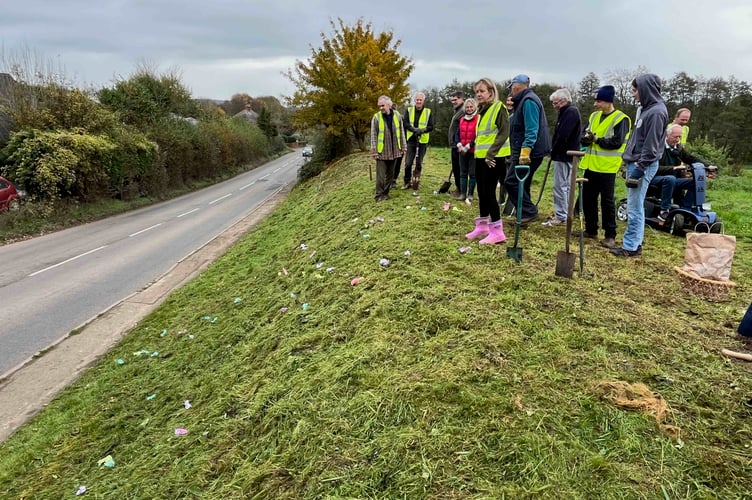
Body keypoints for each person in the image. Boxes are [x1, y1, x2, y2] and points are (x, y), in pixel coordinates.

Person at [611, 74, 668, 257]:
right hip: (635, 162)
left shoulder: (657, 112)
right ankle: (634, 243)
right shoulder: (645, 110)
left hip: (642, 165)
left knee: (634, 207)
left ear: (645, 89)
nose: (633, 94)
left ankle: (630, 247)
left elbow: (650, 148)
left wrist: (638, 169)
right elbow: (637, 139)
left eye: (635, 90)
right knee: (635, 205)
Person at [579, 85, 631, 248]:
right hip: (590, 164)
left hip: (608, 167)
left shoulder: (621, 119)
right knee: (588, 199)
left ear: (608, 101)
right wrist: (585, 138)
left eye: (599, 101)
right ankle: (591, 229)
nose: (596, 104)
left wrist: (596, 140)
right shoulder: (594, 116)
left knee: (606, 201)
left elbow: (617, 142)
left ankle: (610, 235)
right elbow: (584, 134)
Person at [465, 77, 511, 245]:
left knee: (490, 193)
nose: (479, 94)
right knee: (482, 192)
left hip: (493, 158)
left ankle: (497, 231)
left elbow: (504, 132)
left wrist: (491, 154)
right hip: (481, 158)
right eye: (477, 91)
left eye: (482, 91)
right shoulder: (482, 111)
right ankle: (483, 226)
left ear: (491, 92)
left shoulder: (499, 108)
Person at [504, 74, 551, 225]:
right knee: (523, 183)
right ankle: (524, 215)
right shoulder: (523, 101)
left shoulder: (529, 101)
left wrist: (526, 151)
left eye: (511, 88)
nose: (511, 91)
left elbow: (532, 129)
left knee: (511, 181)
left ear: (517, 87)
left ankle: (529, 212)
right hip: (528, 149)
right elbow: (517, 122)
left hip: (529, 151)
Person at [651, 124, 708, 219]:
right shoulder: (658, 147)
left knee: (695, 182)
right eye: (675, 137)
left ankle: (685, 209)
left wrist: (706, 166)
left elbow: (690, 158)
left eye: (679, 137)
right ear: (667, 136)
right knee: (670, 178)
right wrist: (673, 168)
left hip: (672, 180)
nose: (677, 139)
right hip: (654, 178)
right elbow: (652, 167)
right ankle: (664, 210)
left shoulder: (678, 148)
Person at [543, 88, 581, 227]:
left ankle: (562, 215)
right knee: (564, 185)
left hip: (565, 155)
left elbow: (563, 135)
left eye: (556, 103)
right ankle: (564, 213)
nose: (554, 106)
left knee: (560, 186)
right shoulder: (565, 112)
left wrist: (554, 150)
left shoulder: (570, 112)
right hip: (564, 154)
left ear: (564, 100)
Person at [370, 95, 406, 201]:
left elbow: (401, 132)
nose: (381, 108)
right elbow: (373, 135)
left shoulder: (397, 115)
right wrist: (374, 151)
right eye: (379, 106)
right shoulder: (376, 117)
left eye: (383, 105)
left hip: (395, 150)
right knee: (380, 177)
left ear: (389, 105)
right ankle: (378, 195)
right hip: (382, 152)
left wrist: (404, 146)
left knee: (390, 175)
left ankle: (386, 193)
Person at [400, 92, 435, 190]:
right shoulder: (409, 110)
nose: (418, 101)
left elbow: (431, 126)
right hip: (411, 139)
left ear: (423, 101)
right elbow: (405, 123)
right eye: (417, 100)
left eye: (420, 100)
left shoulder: (428, 111)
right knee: (408, 163)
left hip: (422, 140)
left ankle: (416, 181)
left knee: (419, 163)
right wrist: (414, 129)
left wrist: (422, 130)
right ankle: (407, 182)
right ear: (414, 100)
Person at [456, 98, 479, 203]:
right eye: (467, 107)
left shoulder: (478, 118)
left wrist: (470, 145)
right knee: (463, 172)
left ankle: (470, 194)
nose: (469, 109)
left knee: (473, 173)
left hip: (473, 150)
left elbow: (479, 135)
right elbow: (457, 133)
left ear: (475, 107)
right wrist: (459, 144)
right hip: (462, 150)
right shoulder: (462, 119)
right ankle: (462, 193)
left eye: (471, 107)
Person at [446, 90, 466, 197]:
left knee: (458, 168)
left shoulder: (463, 110)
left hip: (459, 145)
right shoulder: (457, 110)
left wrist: (459, 143)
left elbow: (462, 129)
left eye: (456, 99)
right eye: (452, 100)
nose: (454, 102)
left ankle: (460, 190)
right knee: (456, 167)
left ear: (462, 98)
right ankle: (459, 188)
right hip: (455, 144)